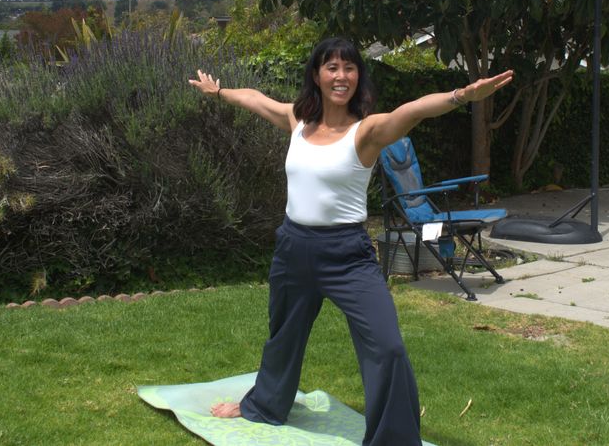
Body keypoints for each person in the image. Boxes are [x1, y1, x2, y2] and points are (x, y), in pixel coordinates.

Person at [188, 37, 512, 445]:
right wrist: (218, 93)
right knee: (283, 336)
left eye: (350, 67)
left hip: (347, 256)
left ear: (359, 76)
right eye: (332, 67)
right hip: (293, 248)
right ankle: (264, 405)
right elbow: (256, 99)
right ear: (317, 75)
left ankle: (392, 439)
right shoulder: (297, 122)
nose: (341, 76)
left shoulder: (367, 132)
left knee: (388, 347)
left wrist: (460, 96)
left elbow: (410, 113)